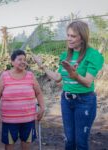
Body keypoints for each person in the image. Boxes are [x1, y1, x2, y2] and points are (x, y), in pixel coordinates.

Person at [33, 20, 104, 150]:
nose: (69, 39)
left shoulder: (93, 55)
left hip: (84, 101)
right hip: (66, 100)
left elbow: (88, 82)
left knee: (80, 143)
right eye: (68, 35)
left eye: (73, 36)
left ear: (82, 38)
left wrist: (74, 74)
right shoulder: (65, 55)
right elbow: (58, 78)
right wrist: (41, 65)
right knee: (69, 140)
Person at [0, 49, 45, 150]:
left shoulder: (30, 75)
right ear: (12, 62)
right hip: (9, 120)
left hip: (28, 119)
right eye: (19, 59)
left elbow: (38, 93)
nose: (23, 62)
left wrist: (42, 108)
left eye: (24, 59)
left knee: (26, 144)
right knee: (9, 145)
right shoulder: (5, 76)